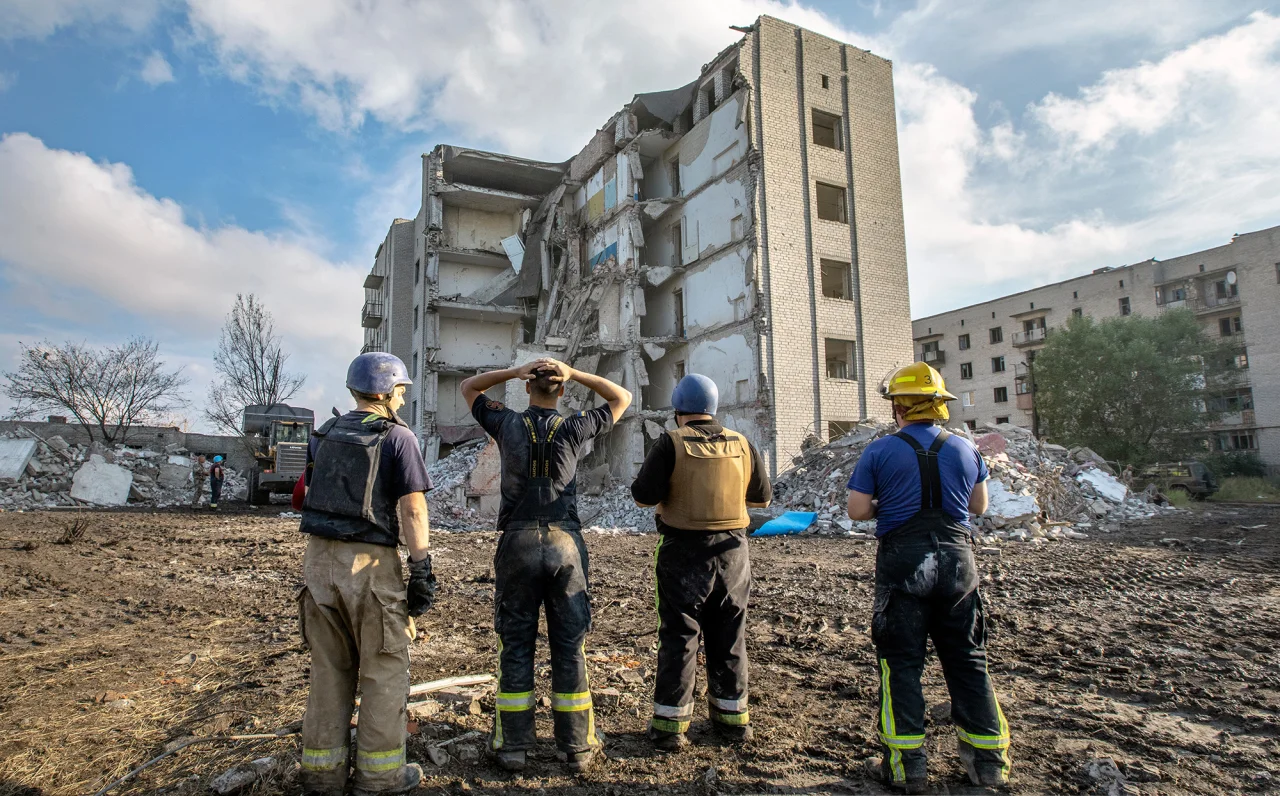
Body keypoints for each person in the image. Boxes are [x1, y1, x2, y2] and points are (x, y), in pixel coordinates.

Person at [460, 357, 631, 773]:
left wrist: (511, 372)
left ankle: (513, 747)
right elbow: (621, 397)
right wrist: (575, 373)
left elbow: (469, 387)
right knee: (570, 646)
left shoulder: (506, 424)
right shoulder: (574, 427)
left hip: (517, 541)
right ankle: (576, 747)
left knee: (515, 643)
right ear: (562, 392)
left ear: (528, 389)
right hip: (564, 542)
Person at [846, 362, 1010, 793]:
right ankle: (988, 765)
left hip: (904, 563)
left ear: (898, 407)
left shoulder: (880, 451)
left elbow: (857, 510)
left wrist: (891, 505)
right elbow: (979, 506)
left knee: (900, 664)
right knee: (969, 660)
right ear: (940, 405)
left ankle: (906, 769)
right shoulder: (964, 449)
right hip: (958, 563)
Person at [296, 352, 437, 796]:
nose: (403, 396)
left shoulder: (323, 434)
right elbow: (412, 507)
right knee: (383, 669)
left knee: (328, 669)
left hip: (317, 563)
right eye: (402, 389)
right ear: (388, 390)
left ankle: (323, 776)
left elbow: (308, 492)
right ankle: (379, 779)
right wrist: (422, 569)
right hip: (370, 566)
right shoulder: (398, 438)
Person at [630, 374, 772, 751]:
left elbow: (643, 496)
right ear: (713, 409)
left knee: (679, 637)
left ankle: (669, 729)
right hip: (734, 554)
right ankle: (733, 724)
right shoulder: (742, 444)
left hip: (683, 553)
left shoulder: (670, 443)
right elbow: (761, 499)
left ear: (678, 411)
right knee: (730, 636)